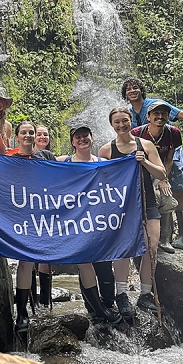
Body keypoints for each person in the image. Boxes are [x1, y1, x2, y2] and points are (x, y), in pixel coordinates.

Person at [122, 78, 183, 249]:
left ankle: (182, 236)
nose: (132, 91)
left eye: (135, 88)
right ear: (125, 94)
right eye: (128, 89)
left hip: (169, 149)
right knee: (150, 192)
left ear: (141, 90)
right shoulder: (129, 114)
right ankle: (163, 235)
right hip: (148, 156)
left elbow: (181, 114)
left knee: (177, 190)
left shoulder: (157, 106)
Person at [99, 107, 167, 315]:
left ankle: (145, 294)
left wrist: (144, 161)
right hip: (122, 207)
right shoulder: (106, 151)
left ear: (131, 121)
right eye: (117, 122)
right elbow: (100, 181)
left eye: (125, 120)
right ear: (112, 125)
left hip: (148, 204)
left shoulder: (145, 145)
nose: (121, 125)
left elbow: (161, 173)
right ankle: (121, 294)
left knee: (151, 248)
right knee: (123, 250)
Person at [56, 126, 121, 323]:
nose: (83, 139)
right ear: (73, 142)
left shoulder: (103, 163)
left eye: (86, 135)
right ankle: (95, 309)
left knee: (104, 266)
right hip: (76, 223)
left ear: (92, 138)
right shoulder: (64, 163)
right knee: (85, 265)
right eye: (78, 137)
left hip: (100, 223)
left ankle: (107, 305)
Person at [8, 121, 56, 333]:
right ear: (17, 136)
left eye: (31, 132)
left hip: (41, 213)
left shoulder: (44, 158)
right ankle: (22, 314)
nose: (27, 136)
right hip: (19, 215)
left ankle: (41, 304)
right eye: (23, 133)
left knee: (41, 259)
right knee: (25, 262)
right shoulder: (8, 158)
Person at [131, 101, 183, 254]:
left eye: (164, 114)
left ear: (168, 117)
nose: (160, 117)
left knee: (165, 196)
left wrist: (162, 179)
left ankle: (165, 239)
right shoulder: (137, 133)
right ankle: (142, 236)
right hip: (140, 171)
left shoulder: (173, 132)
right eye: (156, 114)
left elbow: (168, 159)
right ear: (148, 116)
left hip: (160, 170)